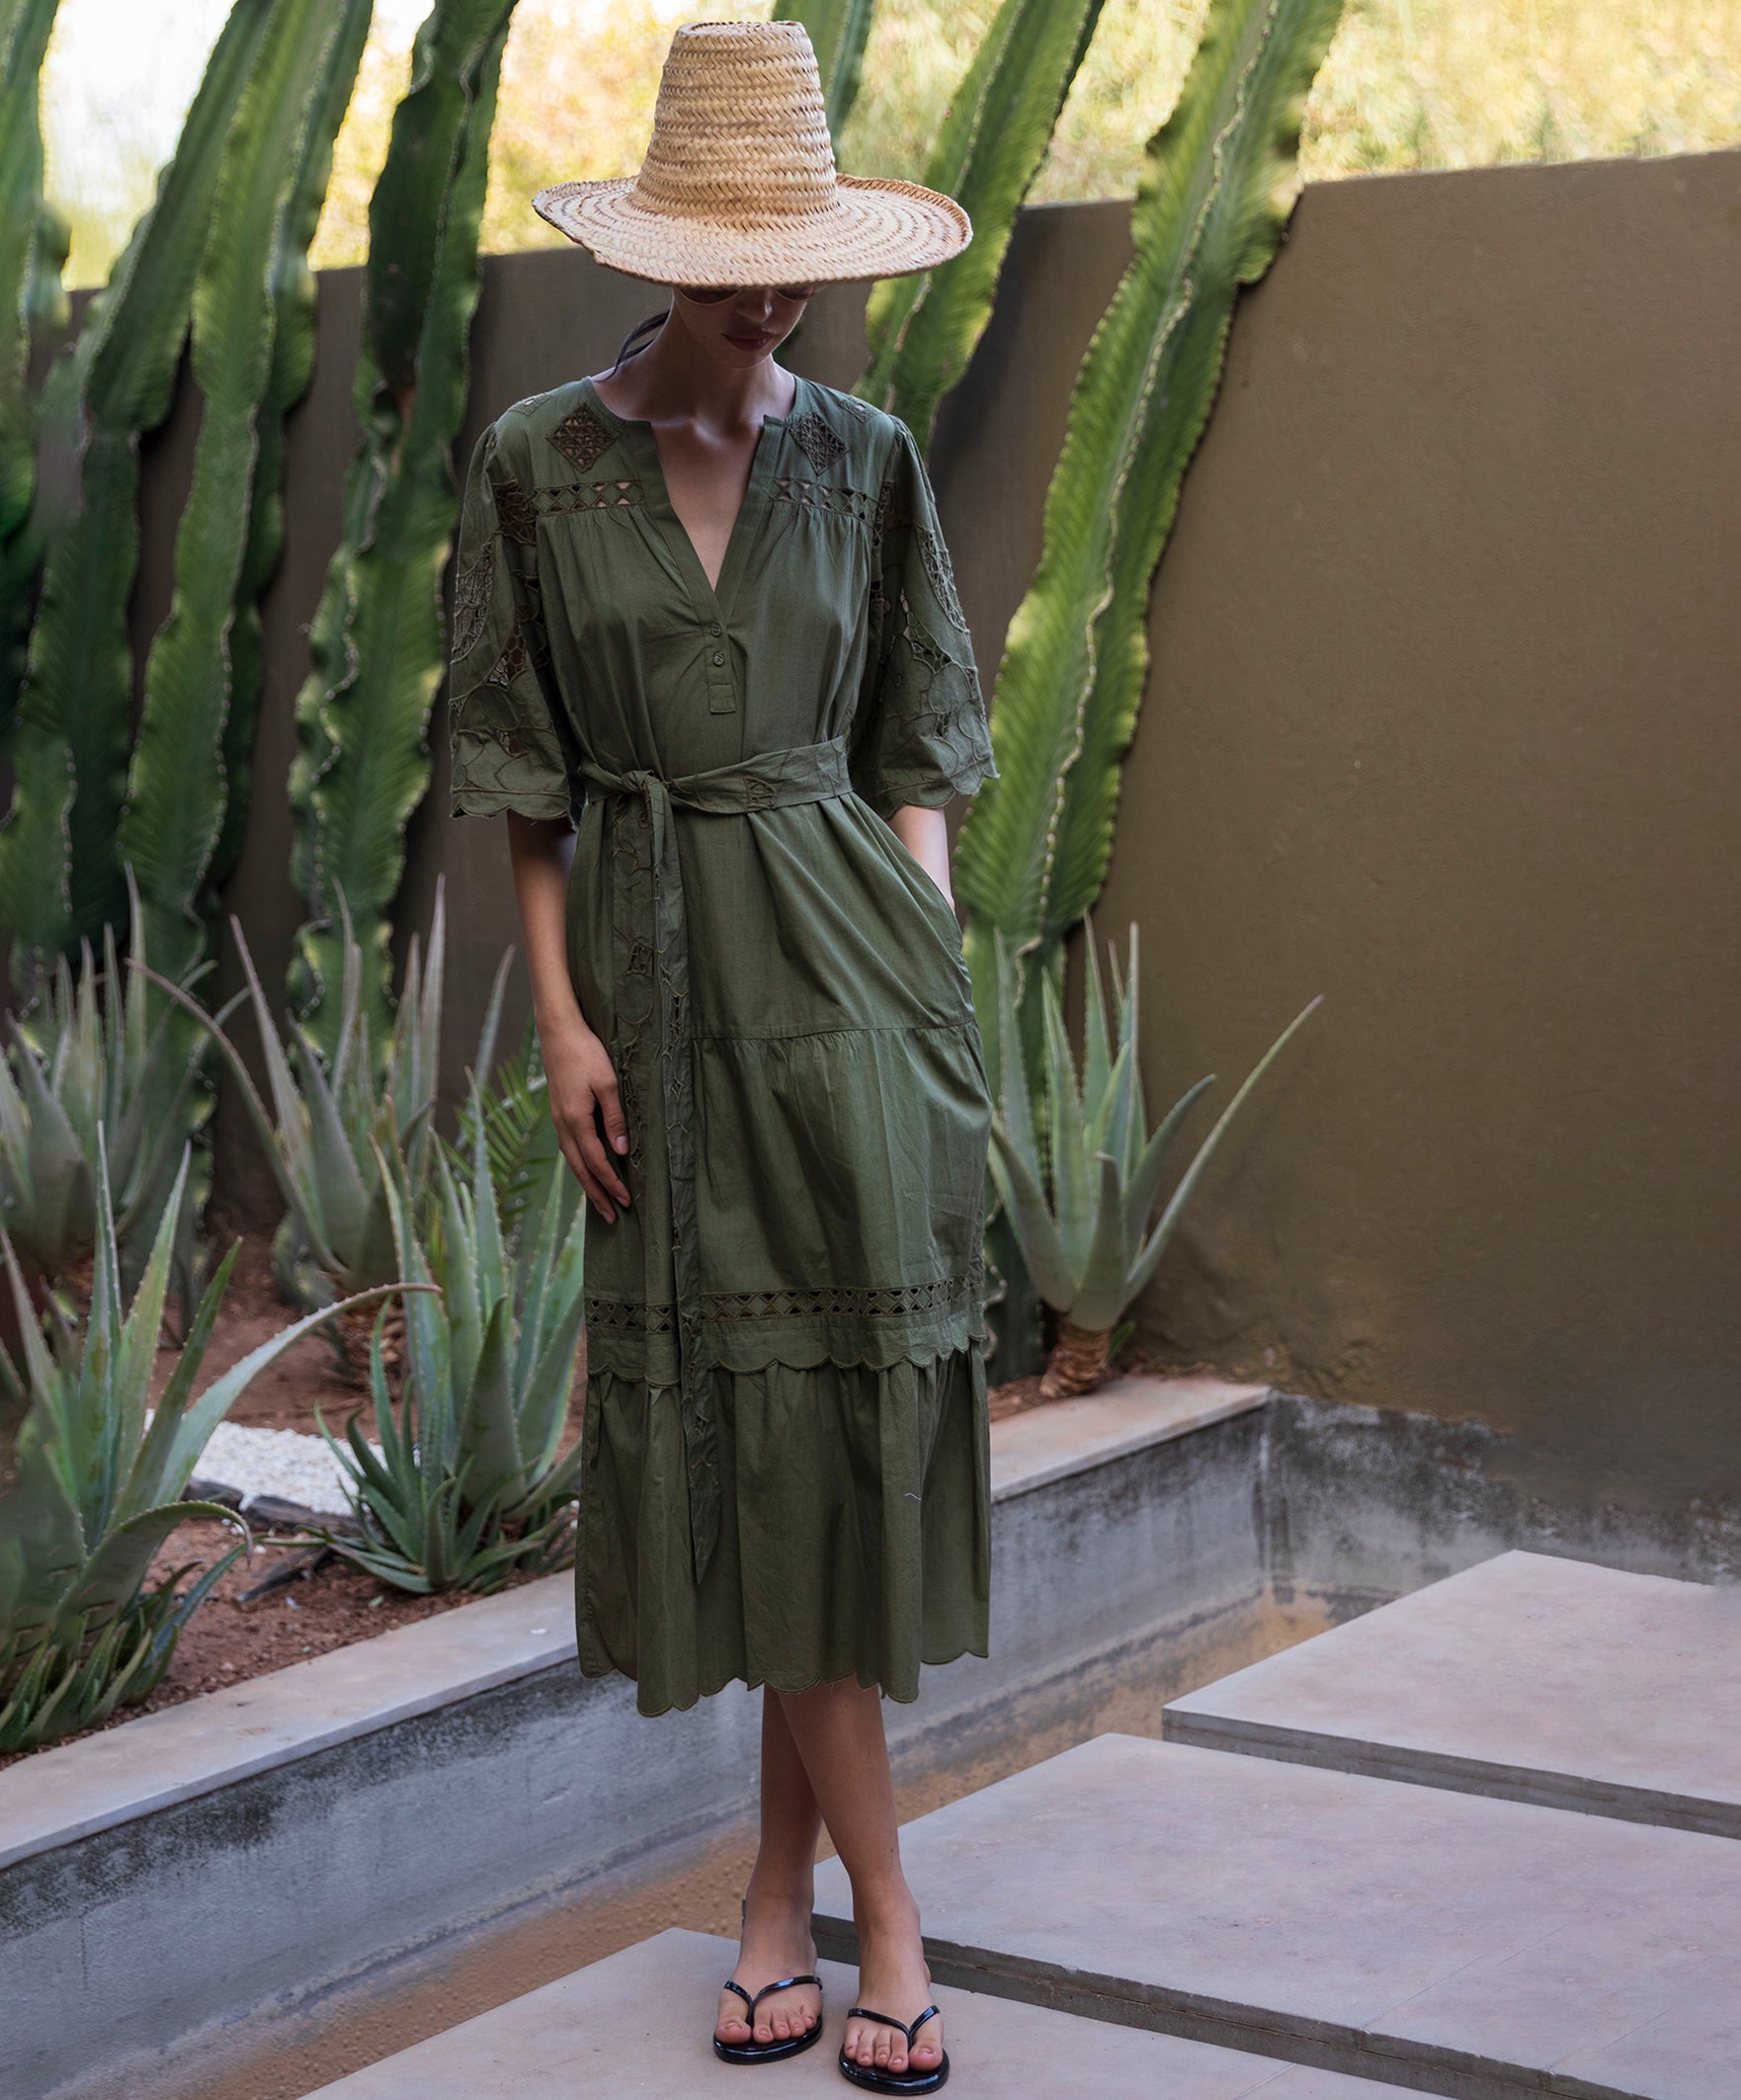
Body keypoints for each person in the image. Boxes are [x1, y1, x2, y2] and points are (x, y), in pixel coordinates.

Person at [448, 21, 996, 2093]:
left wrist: (921, 937)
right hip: (659, 987)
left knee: (830, 1441)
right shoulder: (535, 463)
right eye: (736, 262)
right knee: (751, 1435)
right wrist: (564, 1017)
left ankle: (842, 1911)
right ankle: (834, 1908)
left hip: (854, 982)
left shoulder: (862, 455)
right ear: (659, 249)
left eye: (798, 266)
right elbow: (517, 759)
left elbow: (923, 728)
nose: (772, 302)